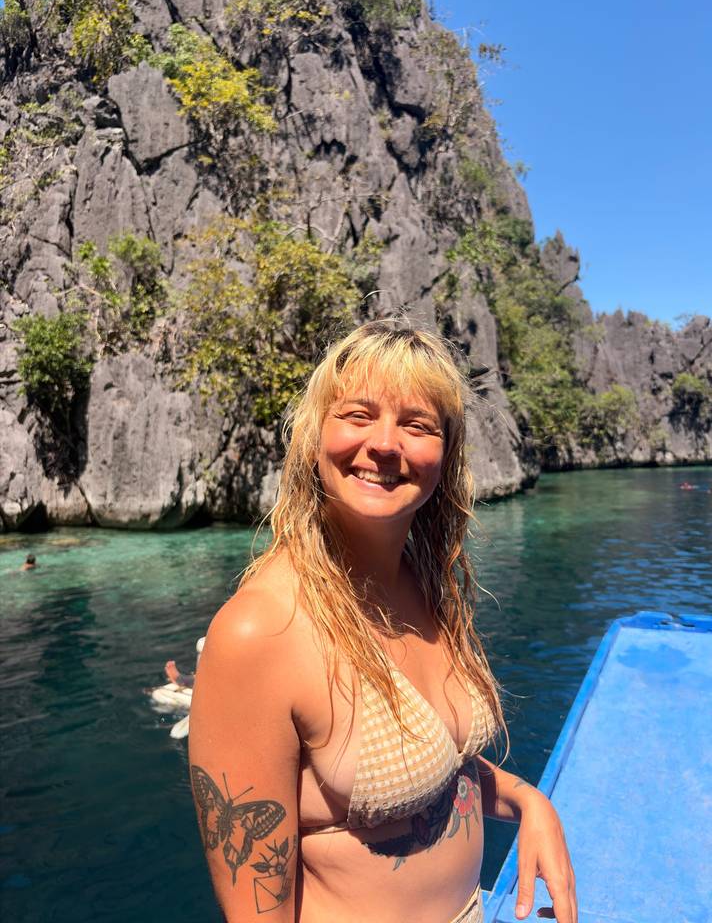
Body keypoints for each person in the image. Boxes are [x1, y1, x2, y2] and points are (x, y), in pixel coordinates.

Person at [188, 322, 577, 923]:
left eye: (416, 424)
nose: (386, 444)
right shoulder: (260, 633)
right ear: (316, 435)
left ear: (445, 453)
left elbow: (443, 765)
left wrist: (528, 800)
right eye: (358, 414)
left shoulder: (423, 583)